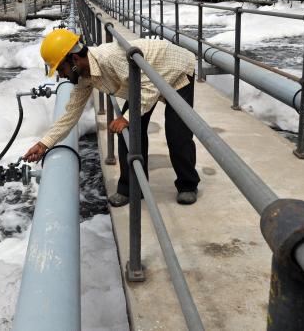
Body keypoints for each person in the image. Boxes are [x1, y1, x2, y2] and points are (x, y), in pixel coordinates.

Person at [23, 28, 201, 206]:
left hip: (175, 68)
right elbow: (71, 114)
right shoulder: (85, 77)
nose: (61, 75)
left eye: (61, 68)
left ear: (74, 59)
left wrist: (126, 117)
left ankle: (188, 185)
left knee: (177, 132)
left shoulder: (109, 58)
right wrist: (44, 144)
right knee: (128, 131)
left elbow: (148, 88)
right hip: (144, 79)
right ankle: (131, 188)